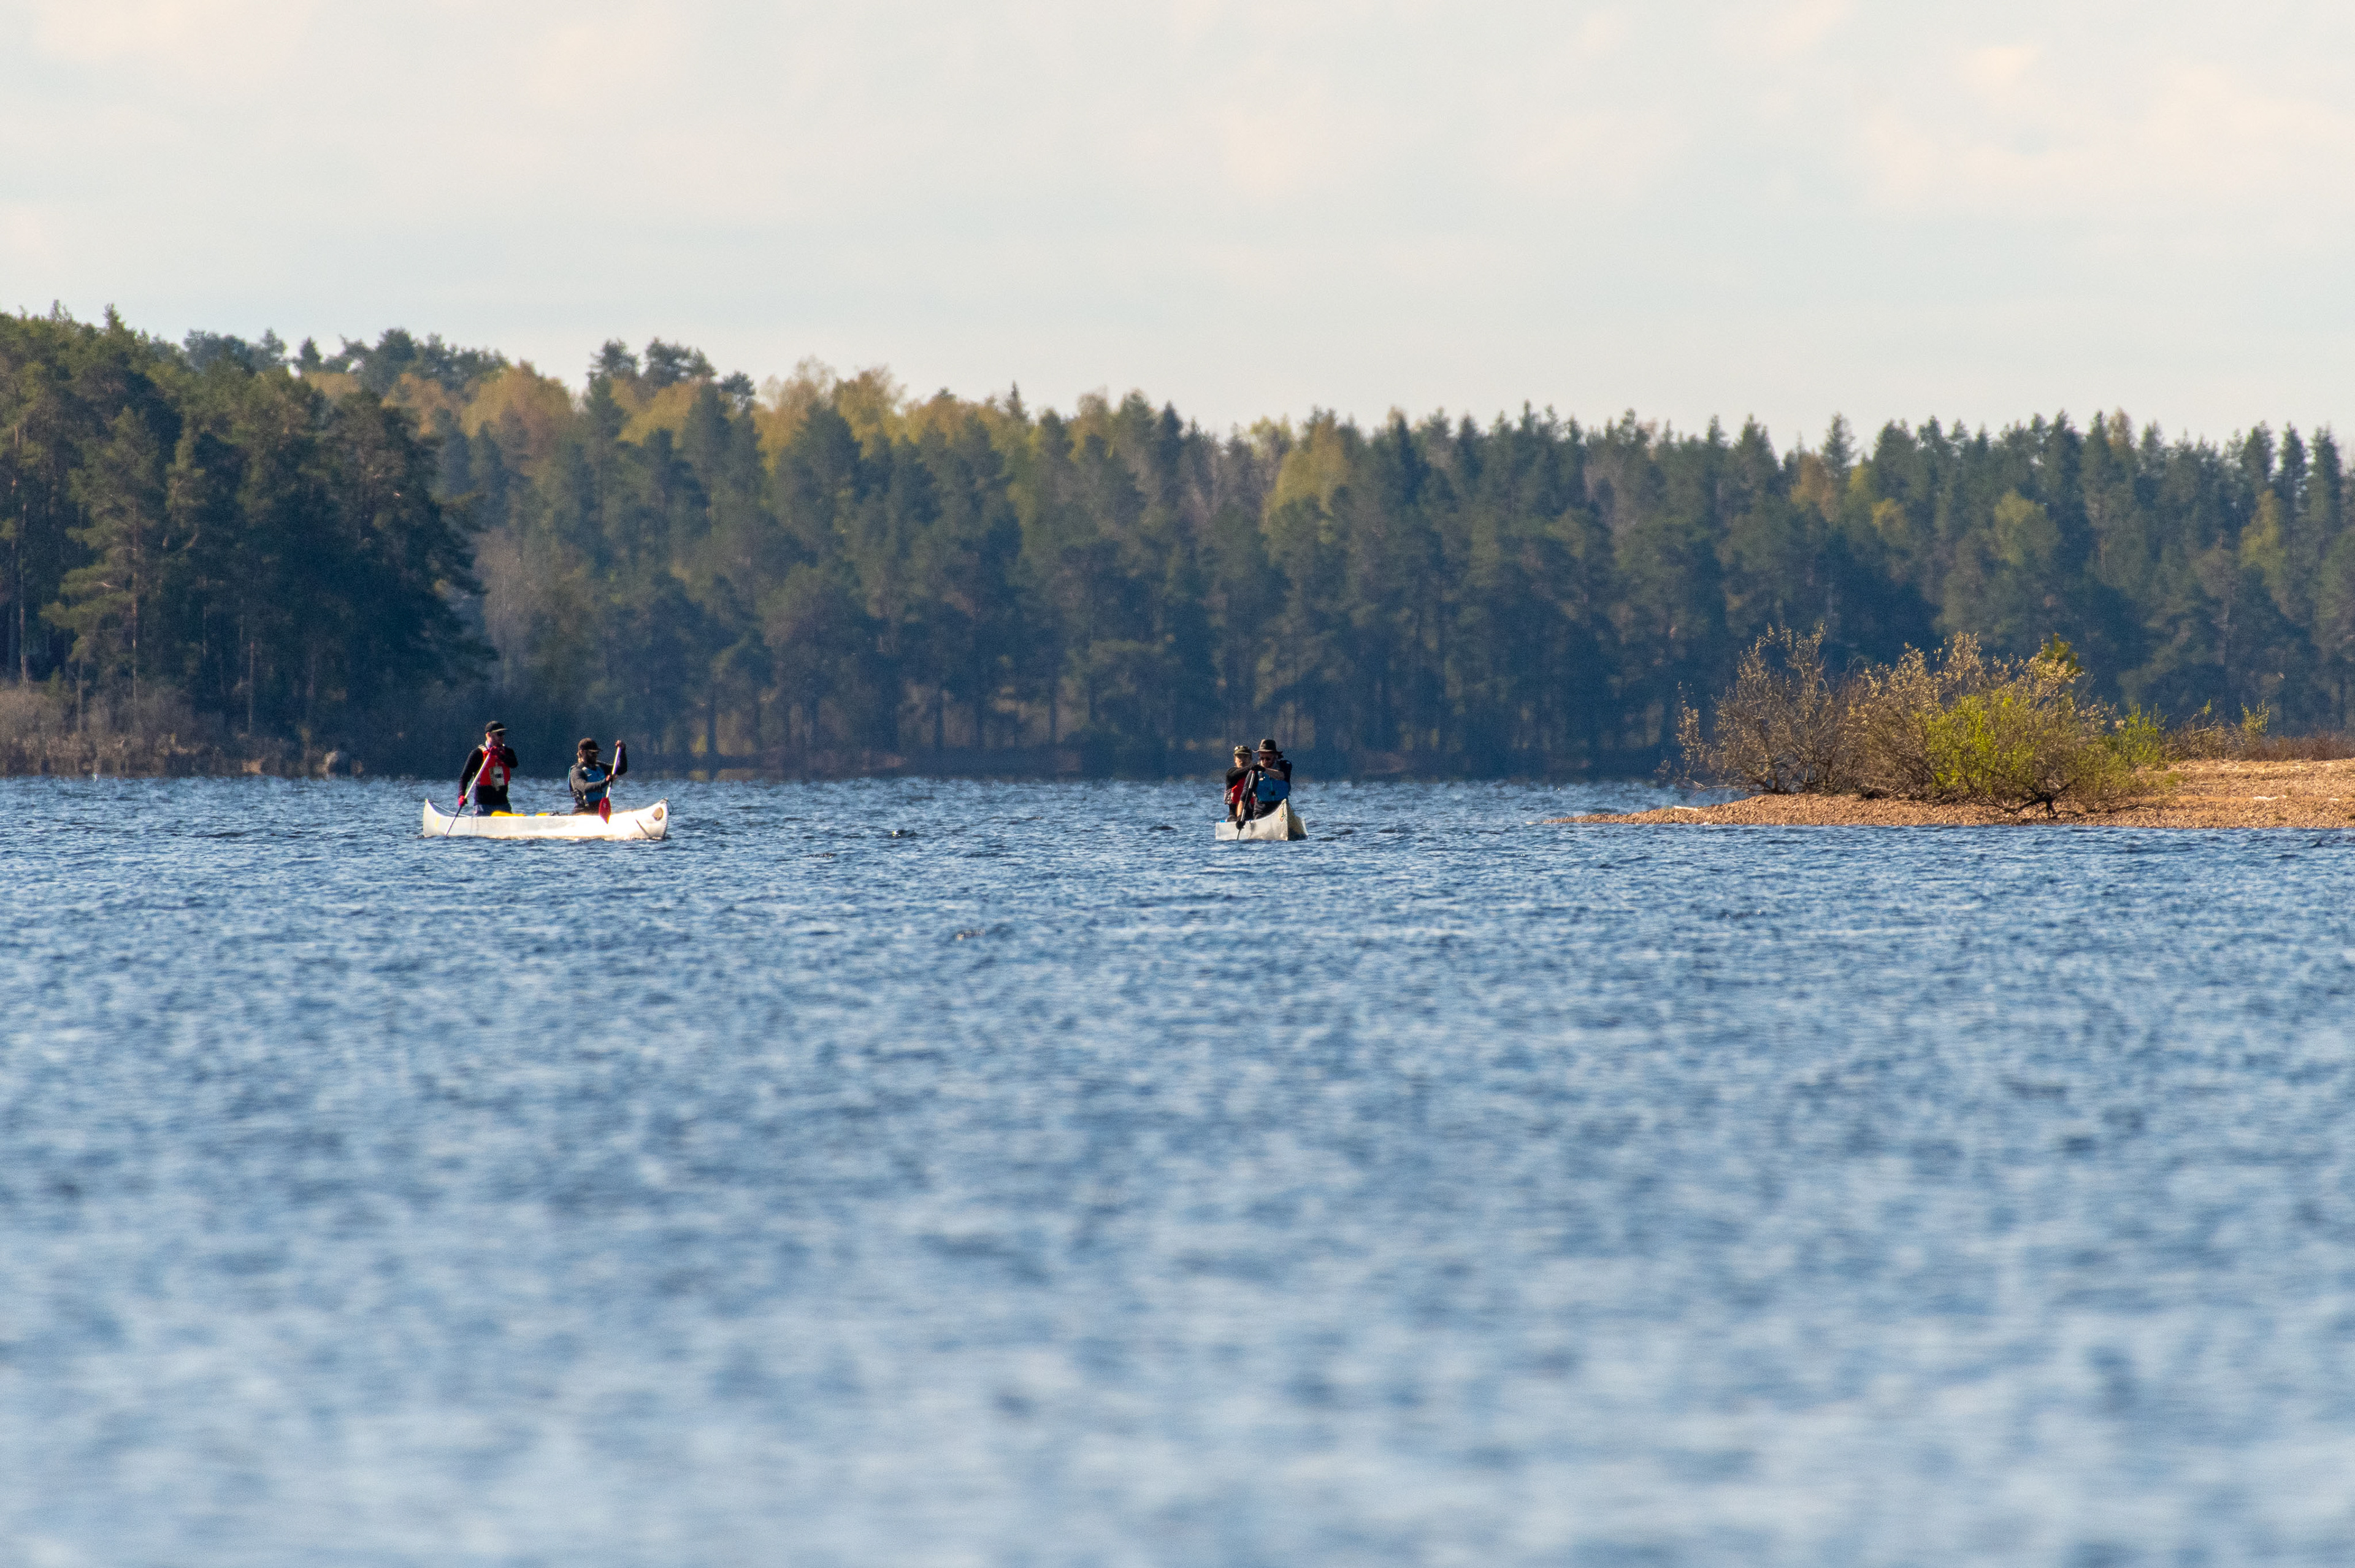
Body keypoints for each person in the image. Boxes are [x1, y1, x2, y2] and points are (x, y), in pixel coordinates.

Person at [458, 721, 518, 816]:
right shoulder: (477, 754)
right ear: (489, 735)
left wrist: (500, 755)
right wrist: (461, 795)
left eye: (503, 734)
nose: (502, 737)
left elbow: (514, 764)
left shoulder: (508, 752)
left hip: (503, 804)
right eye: (499, 734)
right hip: (483, 805)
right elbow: (464, 777)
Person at [569, 736, 629, 816]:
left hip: (601, 812)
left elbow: (621, 769)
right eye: (592, 753)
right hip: (583, 813)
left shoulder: (599, 766)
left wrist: (622, 751)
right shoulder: (577, 771)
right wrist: (605, 781)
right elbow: (584, 787)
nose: (595, 755)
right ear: (582, 752)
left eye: (597, 753)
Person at [1244, 737, 1292, 820]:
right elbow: (1244, 795)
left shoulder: (1285, 766)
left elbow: (1282, 776)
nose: (1264, 761)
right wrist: (1240, 818)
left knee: (1285, 817)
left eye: (1268, 759)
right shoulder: (1255, 772)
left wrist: (1264, 770)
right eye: (1262, 758)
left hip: (1282, 809)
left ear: (1276, 757)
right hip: (1262, 811)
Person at [1223, 744, 1253, 821]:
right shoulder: (1231, 773)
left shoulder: (1255, 774)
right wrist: (1254, 767)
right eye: (1240, 757)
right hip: (1234, 815)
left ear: (1250, 759)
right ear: (1235, 760)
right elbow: (1243, 771)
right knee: (1233, 819)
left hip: (1253, 814)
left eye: (1245, 757)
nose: (1242, 760)